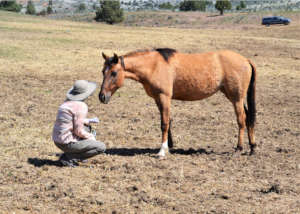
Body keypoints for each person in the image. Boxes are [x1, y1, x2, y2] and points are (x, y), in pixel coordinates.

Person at [52, 80, 106, 167]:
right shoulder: (81, 106)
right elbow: (78, 131)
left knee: (87, 127)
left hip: (58, 140)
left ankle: (75, 153)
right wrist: (91, 137)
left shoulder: (65, 104)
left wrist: (88, 121)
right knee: (101, 147)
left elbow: (71, 122)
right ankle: (70, 157)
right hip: (67, 143)